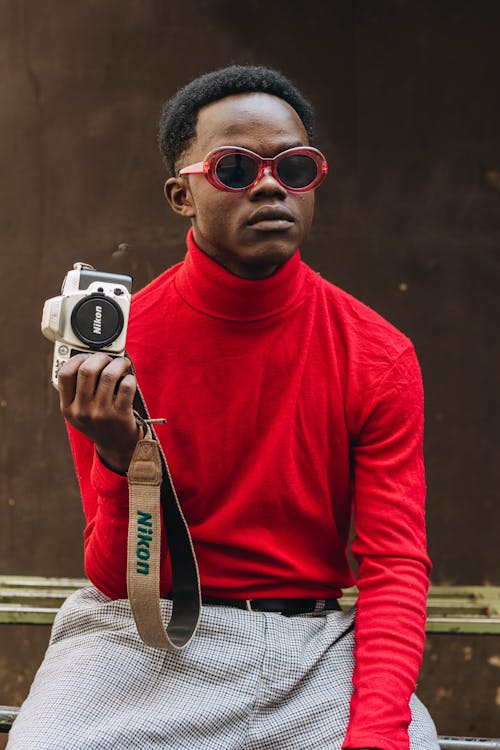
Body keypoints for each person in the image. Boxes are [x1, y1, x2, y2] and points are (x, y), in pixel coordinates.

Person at [8, 66, 439, 750]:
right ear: (182, 194)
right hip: (146, 635)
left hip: (318, 648)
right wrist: (119, 463)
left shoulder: (376, 353)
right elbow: (117, 579)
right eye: (236, 168)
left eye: (294, 167)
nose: (271, 184)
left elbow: (393, 565)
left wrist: (378, 733)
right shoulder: (119, 343)